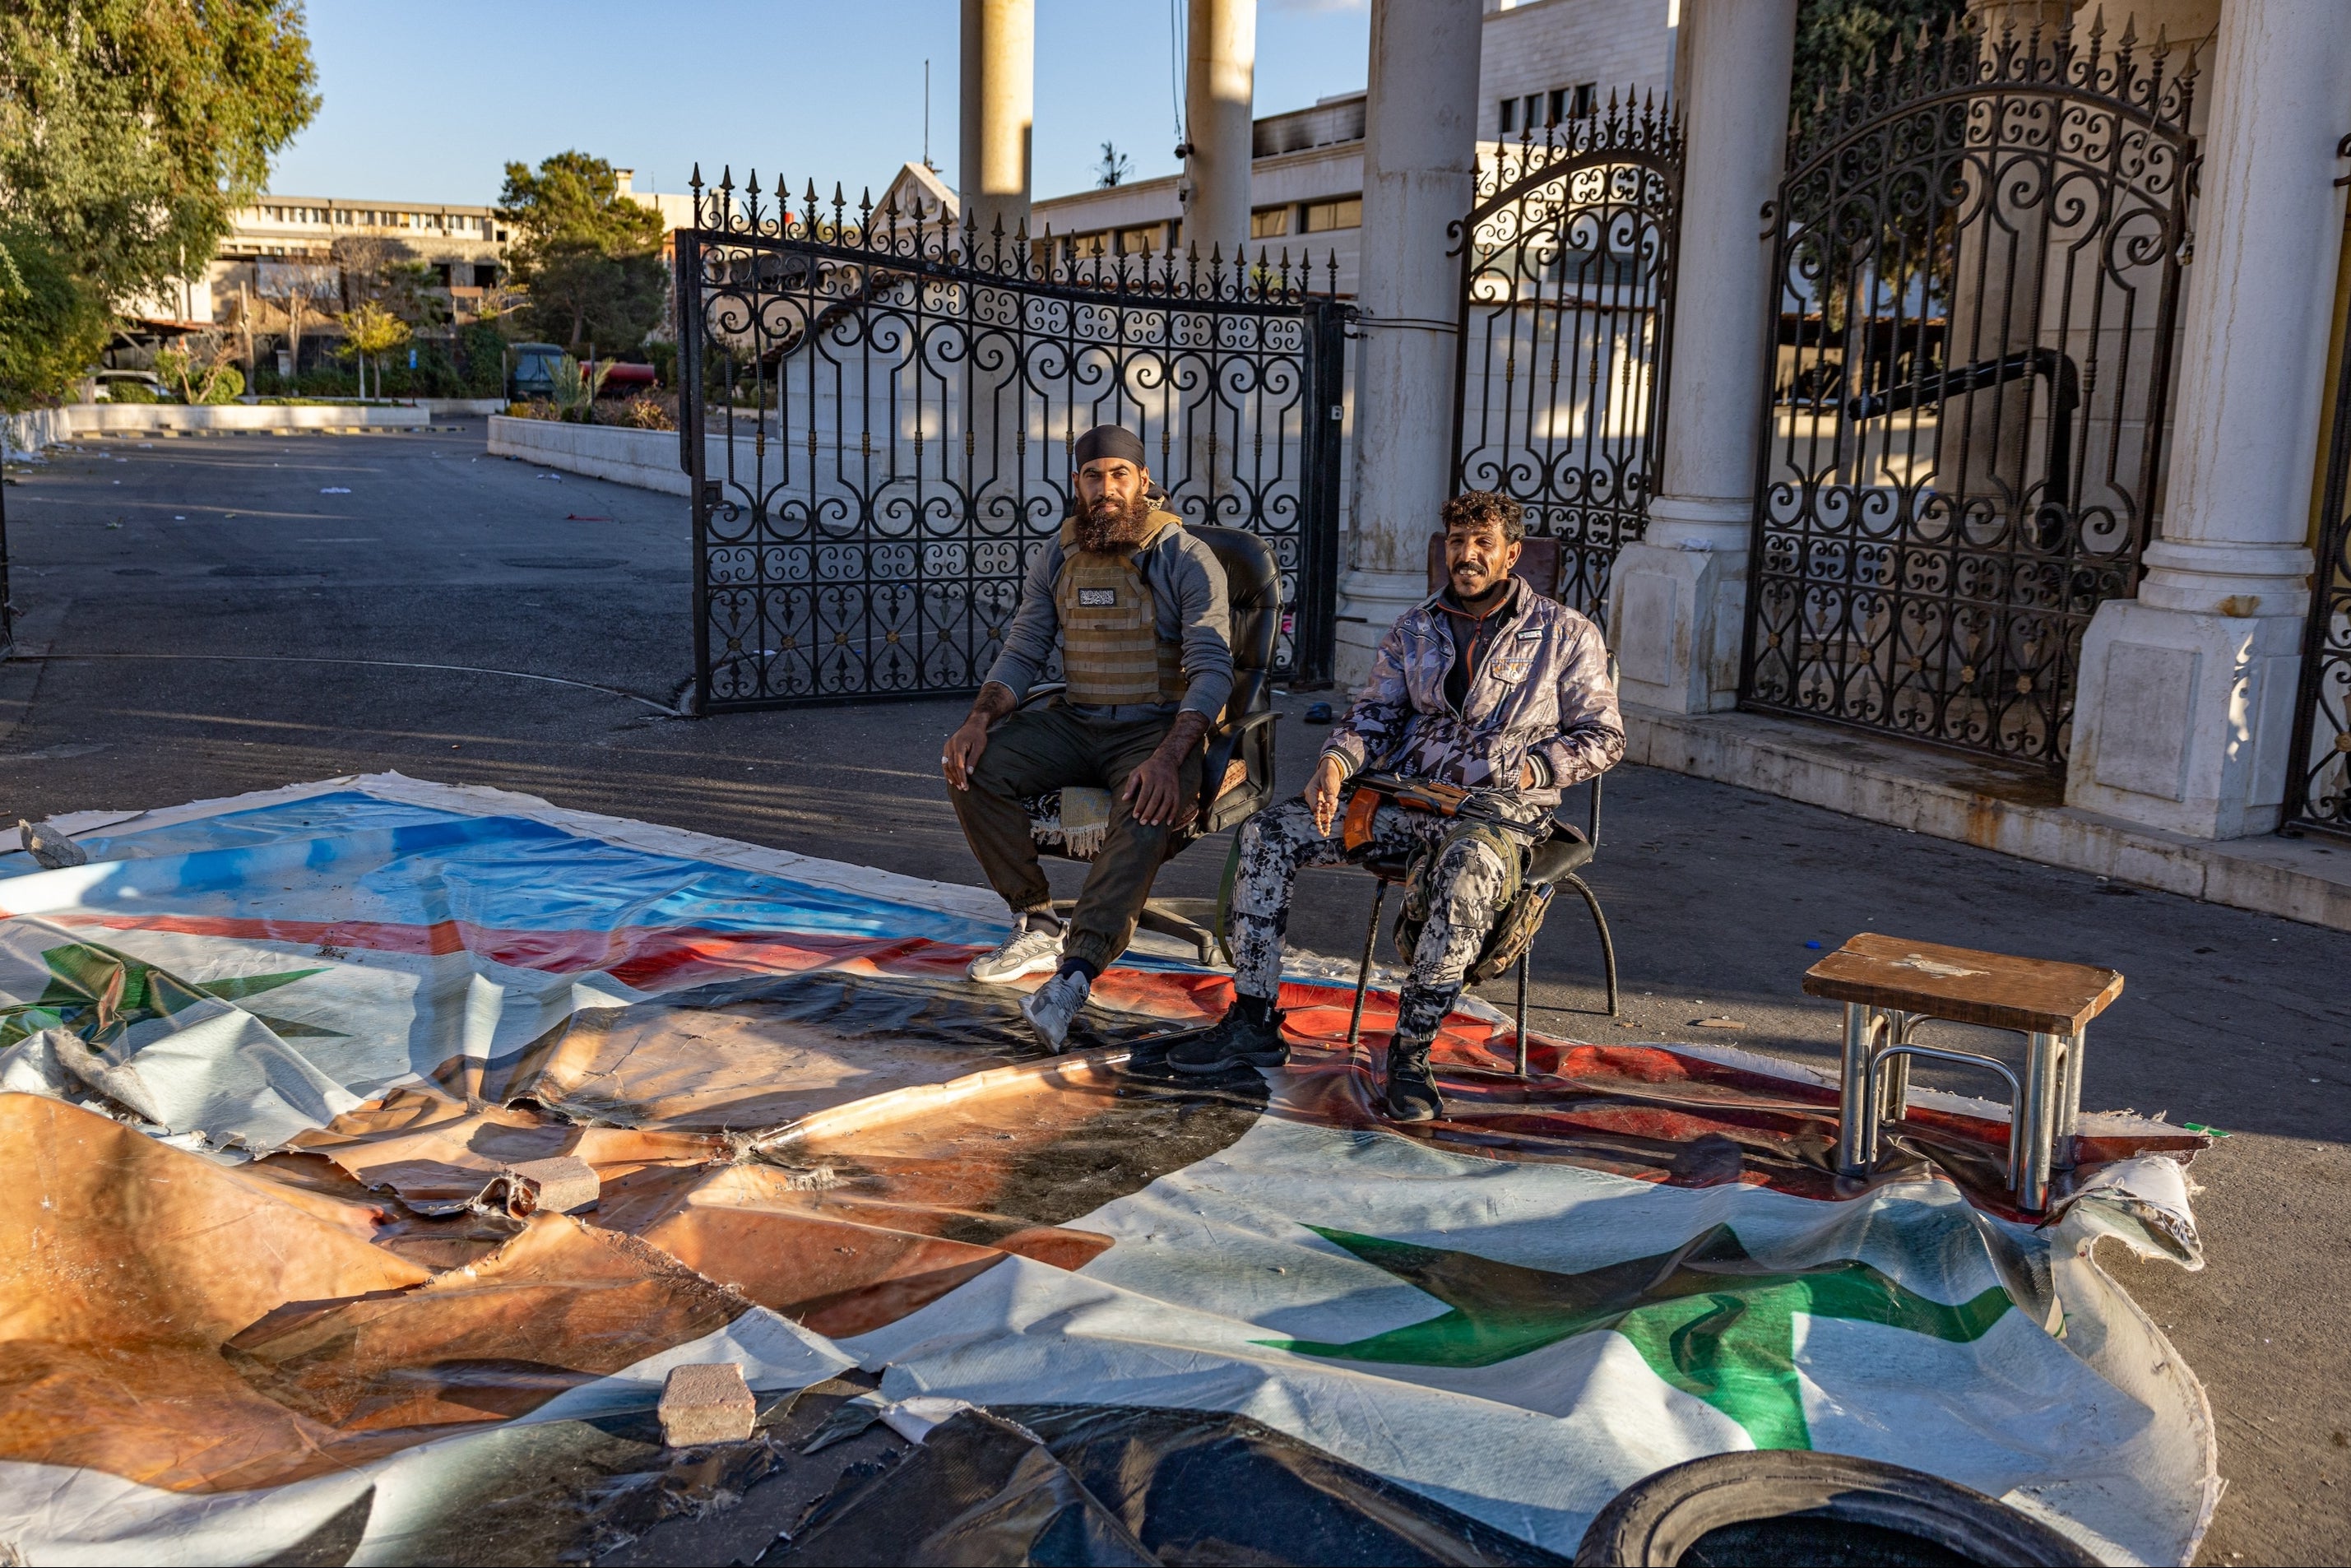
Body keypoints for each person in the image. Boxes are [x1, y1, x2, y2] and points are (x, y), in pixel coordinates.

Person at [1166, 489, 1621, 1120]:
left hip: (1494, 814)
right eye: (1457, 544)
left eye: (1482, 544)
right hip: (1404, 803)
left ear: (1511, 554)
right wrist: (1336, 762)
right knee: (1265, 834)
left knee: (1465, 880)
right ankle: (1252, 1018)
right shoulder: (1415, 628)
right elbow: (1373, 716)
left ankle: (1411, 1052)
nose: (1467, 556)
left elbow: (1603, 738)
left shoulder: (1566, 634)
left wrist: (1536, 767)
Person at [943, 423, 1233, 1051]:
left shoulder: (1182, 556)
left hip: (1156, 729)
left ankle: (1074, 975)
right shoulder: (1060, 552)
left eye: (1119, 475)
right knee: (974, 764)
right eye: (1093, 477)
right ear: (1077, 484)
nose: (1107, 489)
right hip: (1077, 721)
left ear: (1143, 482)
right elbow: (1023, 650)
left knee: (1145, 802)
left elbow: (1213, 669)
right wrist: (976, 720)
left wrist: (1169, 758)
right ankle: (1037, 918)